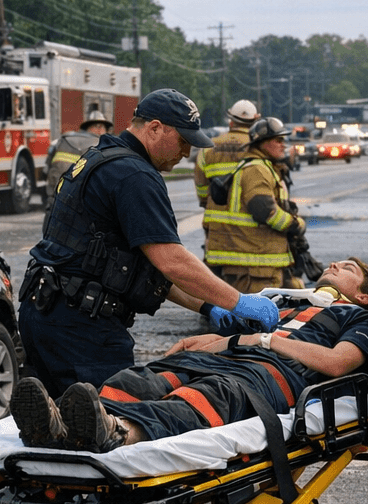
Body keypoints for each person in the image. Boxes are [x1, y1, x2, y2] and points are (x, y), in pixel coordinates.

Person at [17, 89, 281, 397]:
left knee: (58, 418)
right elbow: (172, 262)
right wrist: (238, 301)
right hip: (82, 331)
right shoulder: (135, 175)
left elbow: (144, 270)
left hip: (46, 313)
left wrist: (209, 305)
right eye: (183, 141)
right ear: (155, 128)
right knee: (110, 416)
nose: (186, 153)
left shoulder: (100, 157)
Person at [10, 259, 368, 452]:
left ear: (363, 295)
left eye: (347, 268)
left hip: (266, 378)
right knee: (139, 379)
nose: (333, 265)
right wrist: (208, 342)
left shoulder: (359, 318)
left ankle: (118, 433)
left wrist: (266, 341)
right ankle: (61, 424)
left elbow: (337, 363)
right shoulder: (284, 304)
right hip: (225, 359)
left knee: (201, 397)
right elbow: (238, 339)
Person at [204, 117, 305, 291]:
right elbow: (265, 211)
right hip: (255, 266)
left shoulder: (260, 166)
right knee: (261, 308)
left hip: (258, 263)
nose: (283, 145)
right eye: (278, 140)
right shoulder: (257, 170)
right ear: (262, 143)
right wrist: (297, 225)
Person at [192, 99, 259, 208]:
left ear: (231, 122)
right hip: (248, 216)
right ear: (255, 121)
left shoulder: (208, 146)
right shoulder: (259, 147)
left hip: (214, 215)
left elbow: (201, 182)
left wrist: (206, 201)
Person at [43, 107, 113, 210]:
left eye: (101, 127)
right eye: (96, 126)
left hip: (56, 197)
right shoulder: (104, 145)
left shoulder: (63, 140)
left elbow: (46, 170)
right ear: (88, 128)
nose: (99, 130)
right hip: (85, 203)